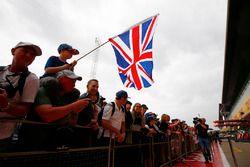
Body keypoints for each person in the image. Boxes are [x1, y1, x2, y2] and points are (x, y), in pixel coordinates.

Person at [19, 70, 90, 150]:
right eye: (71, 80)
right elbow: (47, 116)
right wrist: (73, 107)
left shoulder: (70, 96)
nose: (74, 83)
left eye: (75, 81)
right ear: (60, 79)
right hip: (33, 139)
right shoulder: (43, 91)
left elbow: (71, 120)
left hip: (53, 141)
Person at [0, 42, 42, 152]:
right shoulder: (1, 70)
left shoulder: (31, 79)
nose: (28, 55)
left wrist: (5, 105)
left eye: (32, 54)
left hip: (2, 134)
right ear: (13, 51)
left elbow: (24, 110)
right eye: (25, 51)